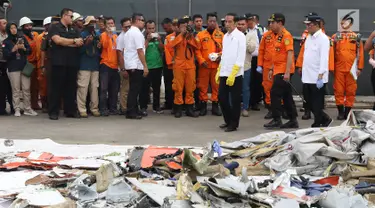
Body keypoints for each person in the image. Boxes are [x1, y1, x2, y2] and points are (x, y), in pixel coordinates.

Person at [296, 14, 333, 127]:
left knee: (317, 103)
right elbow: (306, 55)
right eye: (307, 25)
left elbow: (324, 58)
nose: (307, 27)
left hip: (317, 76)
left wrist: (321, 75)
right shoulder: (309, 37)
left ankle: (319, 121)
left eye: (309, 24)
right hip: (307, 76)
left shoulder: (323, 39)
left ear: (316, 25)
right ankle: (325, 118)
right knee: (308, 102)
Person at [264, 13, 299, 129]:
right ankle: (293, 119)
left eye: (272, 23)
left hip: (284, 70)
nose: (270, 25)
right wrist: (271, 69)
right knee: (287, 95)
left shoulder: (286, 36)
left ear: (280, 23)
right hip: (278, 69)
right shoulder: (276, 36)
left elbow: (290, 54)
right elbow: (277, 55)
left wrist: (287, 72)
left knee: (275, 94)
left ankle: (276, 119)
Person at [48, 8, 83, 120]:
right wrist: (72, 41)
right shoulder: (55, 27)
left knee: (71, 88)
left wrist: (66, 42)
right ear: (64, 16)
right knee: (56, 88)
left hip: (72, 63)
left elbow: (80, 42)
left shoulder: (74, 29)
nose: (72, 18)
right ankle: (53, 111)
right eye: (71, 16)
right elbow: (57, 40)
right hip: (59, 62)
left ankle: (70, 110)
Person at [217, 13, 246, 132]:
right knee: (221, 97)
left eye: (229, 22)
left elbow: (240, 56)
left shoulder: (240, 36)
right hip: (225, 71)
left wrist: (234, 71)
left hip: (235, 74)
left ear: (235, 23)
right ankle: (227, 120)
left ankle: (234, 123)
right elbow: (224, 54)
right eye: (226, 22)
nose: (227, 24)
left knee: (234, 100)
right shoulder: (225, 36)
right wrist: (219, 69)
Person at [332, 12, 364, 120]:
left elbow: (360, 53)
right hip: (339, 68)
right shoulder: (335, 37)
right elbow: (331, 53)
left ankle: (347, 112)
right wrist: (331, 68)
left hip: (352, 69)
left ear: (350, 23)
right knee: (339, 91)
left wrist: (359, 68)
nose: (344, 24)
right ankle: (340, 112)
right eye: (342, 21)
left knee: (351, 91)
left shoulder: (356, 37)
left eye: (346, 21)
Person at [167, 18, 200, 118]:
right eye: (183, 26)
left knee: (190, 87)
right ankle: (178, 108)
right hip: (179, 66)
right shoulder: (174, 37)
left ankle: (189, 108)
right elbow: (171, 46)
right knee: (178, 88)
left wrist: (189, 36)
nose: (185, 28)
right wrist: (182, 35)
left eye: (186, 26)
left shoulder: (193, 36)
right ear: (178, 27)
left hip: (190, 66)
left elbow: (198, 46)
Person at [3, 22, 36, 117]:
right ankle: (16, 108)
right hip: (13, 68)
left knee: (26, 88)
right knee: (16, 89)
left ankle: (27, 108)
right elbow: (6, 55)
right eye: (11, 28)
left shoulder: (22, 38)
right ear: (8, 30)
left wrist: (24, 48)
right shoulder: (6, 42)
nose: (14, 30)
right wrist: (14, 49)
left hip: (23, 66)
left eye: (15, 28)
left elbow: (30, 51)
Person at [195, 12, 224, 116]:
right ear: (207, 22)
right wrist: (201, 61)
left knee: (216, 86)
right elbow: (197, 50)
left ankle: (215, 107)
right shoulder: (200, 35)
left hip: (216, 65)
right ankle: (203, 106)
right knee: (202, 86)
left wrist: (219, 56)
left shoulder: (220, 35)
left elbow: (224, 49)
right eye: (210, 21)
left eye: (214, 21)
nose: (212, 23)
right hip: (204, 66)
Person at [123, 13, 148, 119]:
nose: (143, 22)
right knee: (134, 89)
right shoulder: (136, 33)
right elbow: (140, 51)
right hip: (136, 64)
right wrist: (145, 66)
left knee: (135, 88)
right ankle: (131, 112)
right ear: (137, 20)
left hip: (130, 63)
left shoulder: (129, 33)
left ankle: (134, 109)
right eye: (142, 20)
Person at [76, 16, 101, 118]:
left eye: (94, 23)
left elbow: (99, 52)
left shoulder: (96, 35)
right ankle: (82, 109)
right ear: (86, 24)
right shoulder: (82, 35)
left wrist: (99, 46)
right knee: (83, 88)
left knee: (94, 88)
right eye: (91, 23)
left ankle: (94, 108)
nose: (92, 25)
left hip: (95, 65)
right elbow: (78, 51)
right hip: (84, 65)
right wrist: (86, 43)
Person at [139, 20, 164, 115]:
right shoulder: (142, 37)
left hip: (158, 66)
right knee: (144, 88)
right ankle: (143, 107)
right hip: (147, 66)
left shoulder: (158, 37)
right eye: (149, 28)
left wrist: (160, 40)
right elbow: (141, 50)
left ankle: (156, 106)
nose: (151, 30)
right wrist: (147, 40)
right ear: (146, 28)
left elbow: (162, 49)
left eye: (153, 28)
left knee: (156, 88)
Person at [99, 17, 119, 116]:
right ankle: (103, 108)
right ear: (106, 25)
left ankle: (113, 108)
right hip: (105, 64)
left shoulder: (116, 36)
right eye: (109, 24)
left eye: (112, 23)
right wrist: (108, 34)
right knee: (104, 88)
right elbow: (105, 46)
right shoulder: (103, 35)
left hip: (115, 66)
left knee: (114, 89)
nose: (111, 25)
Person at [19, 16, 40, 110]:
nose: (28, 27)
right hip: (28, 64)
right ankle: (28, 105)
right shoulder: (22, 38)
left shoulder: (35, 35)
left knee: (36, 86)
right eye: (26, 26)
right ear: (22, 28)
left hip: (36, 63)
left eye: (30, 25)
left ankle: (35, 103)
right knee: (27, 86)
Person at [246, 13, 264, 111]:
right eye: (248, 20)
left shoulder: (260, 29)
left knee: (257, 81)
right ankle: (247, 102)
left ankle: (255, 102)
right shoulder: (245, 30)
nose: (250, 22)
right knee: (248, 81)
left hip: (258, 59)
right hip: (248, 58)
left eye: (251, 20)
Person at [257, 22, 275, 119]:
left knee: (279, 88)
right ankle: (270, 108)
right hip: (267, 66)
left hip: (279, 66)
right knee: (267, 87)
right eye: (270, 24)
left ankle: (281, 108)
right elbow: (261, 51)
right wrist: (259, 65)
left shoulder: (284, 35)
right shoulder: (266, 36)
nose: (271, 25)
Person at [242, 16, 257, 117]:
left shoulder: (251, 35)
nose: (240, 26)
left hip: (245, 66)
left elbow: (251, 49)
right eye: (238, 24)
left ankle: (245, 108)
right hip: (233, 66)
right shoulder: (230, 35)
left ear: (246, 25)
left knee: (245, 88)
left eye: (243, 24)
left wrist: (243, 39)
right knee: (232, 88)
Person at [35, 17, 51, 113]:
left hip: (50, 63)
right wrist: (42, 65)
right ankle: (44, 105)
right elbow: (39, 51)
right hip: (43, 63)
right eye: (48, 25)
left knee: (51, 85)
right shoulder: (41, 37)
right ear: (45, 26)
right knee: (43, 86)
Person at [117, 17, 131, 115]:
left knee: (130, 88)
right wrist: (123, 69)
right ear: (122, 27)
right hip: (125, 67)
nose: (128, 28)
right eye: (126, 27)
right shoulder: (121, 38)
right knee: (125, 88)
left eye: (129, 26)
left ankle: (128, 106)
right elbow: (119, 54)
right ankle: (123, 107)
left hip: (132, 66)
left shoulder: (130, 36)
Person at [160, 18, 174, 111]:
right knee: (167, 84)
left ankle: (175, 104)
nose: (166, 29)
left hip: (175, 64)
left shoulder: (176, 36)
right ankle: (168, 103)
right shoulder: (165, 36)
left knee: (175, 85)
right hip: (166, 64)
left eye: (167, 27)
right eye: (164, 28)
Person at [0, 17, 13, 115]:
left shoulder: (10, 35)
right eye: (4, 23)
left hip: (10, 62)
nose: (6, 25)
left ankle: (13, 107)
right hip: (1, 63)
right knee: (2, 87)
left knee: (11, 86)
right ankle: (2, 109)